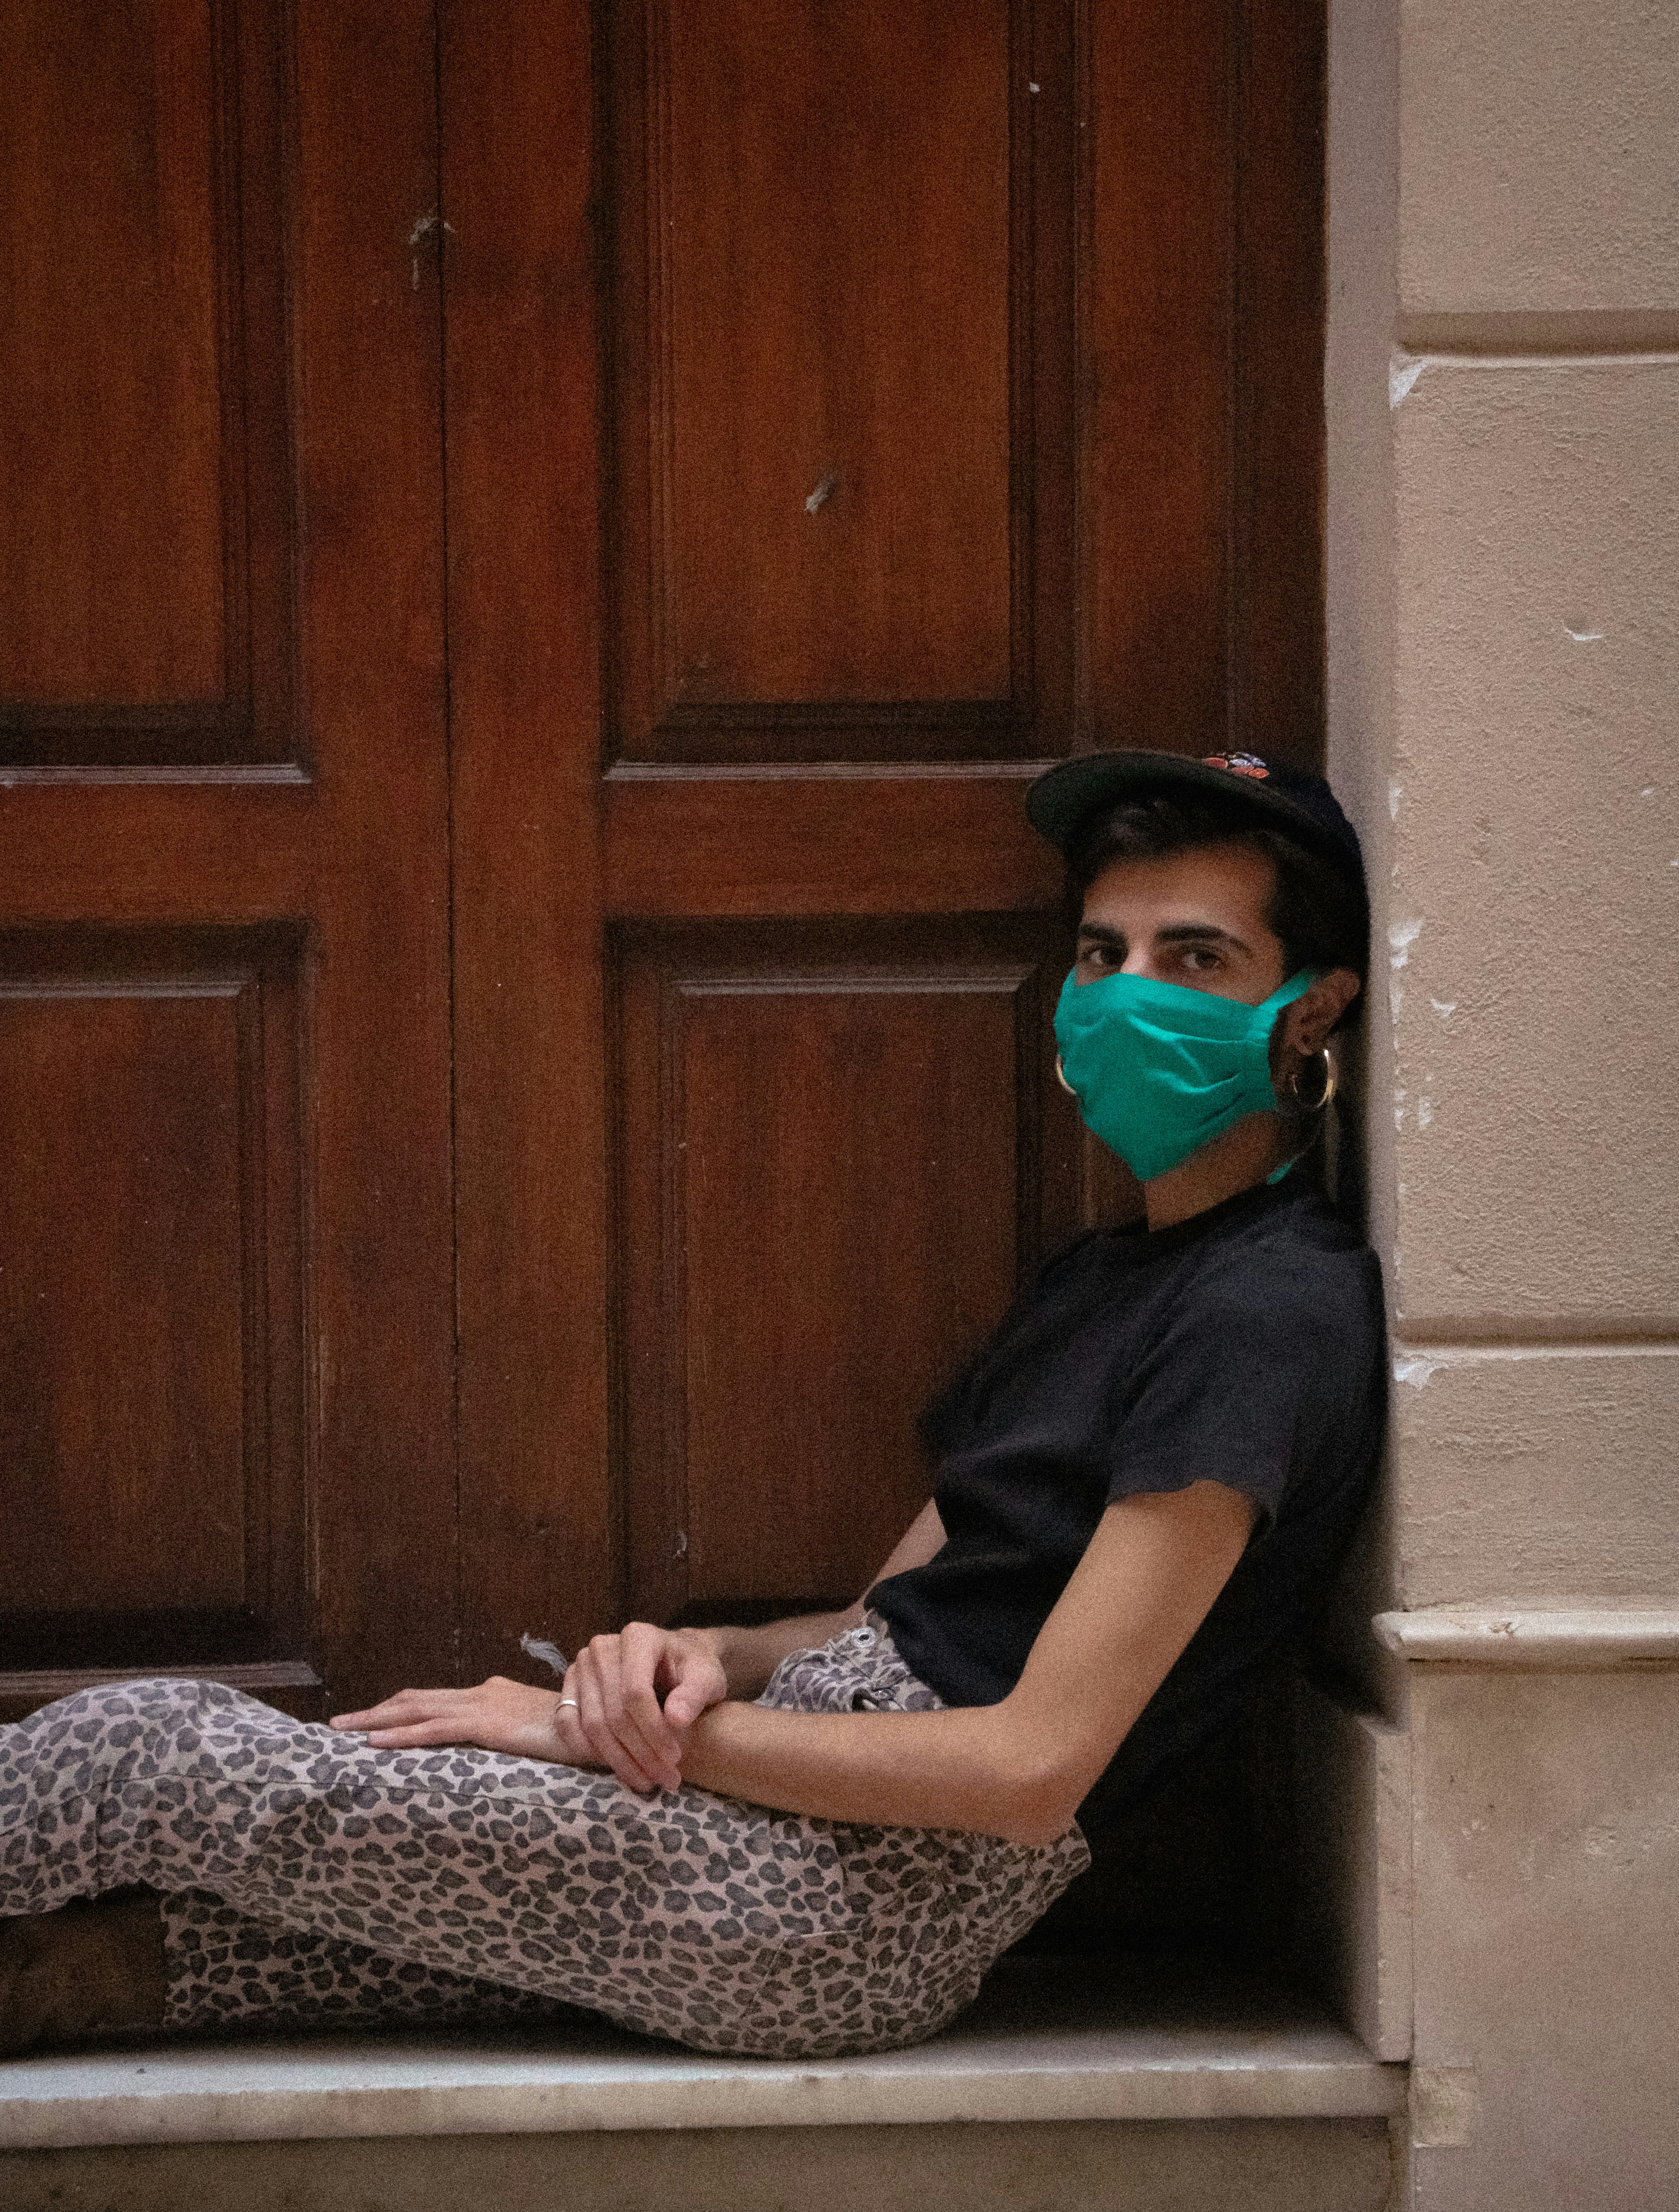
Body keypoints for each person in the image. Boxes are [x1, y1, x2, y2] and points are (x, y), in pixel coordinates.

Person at [0, 750, 1386, 2061]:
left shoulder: (1269, 1310)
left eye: (1194, 958)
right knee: (207, 1942)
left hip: (841, 1910)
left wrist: (583, 1730)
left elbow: (1032, 1766)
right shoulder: (1105, 1279)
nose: (1128, 992)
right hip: (772, 1811)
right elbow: (880, 1624)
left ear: (1311, 1008)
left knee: (149, 1752)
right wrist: (706, 1657)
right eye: (1103, 954)